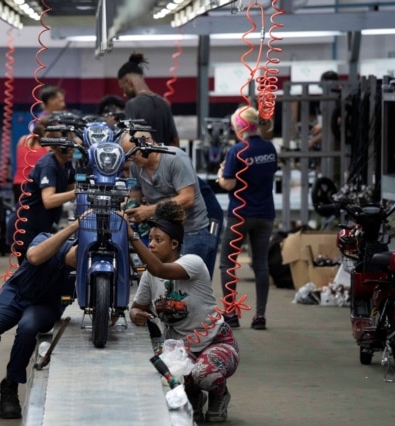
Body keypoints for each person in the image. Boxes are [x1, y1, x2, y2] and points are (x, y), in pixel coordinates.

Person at [125, 200, 239, 423]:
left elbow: (160, 269)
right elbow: (137, 307)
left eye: (159, 240)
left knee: (203, 374)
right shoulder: (149, 276)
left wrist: (131, 235)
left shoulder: (193, 263)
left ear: (174, 244)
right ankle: (194, 397)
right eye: (150, 239)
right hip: (182, 349)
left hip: (216, 342)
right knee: (167, 374)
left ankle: (219, 394)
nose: (152, 245)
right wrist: (134, 314)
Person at [0, 218, 81, 420]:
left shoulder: (88, 268)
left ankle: (10, 388)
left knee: (28, 328)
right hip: (16, 292)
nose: (80, 262)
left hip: (46, 305)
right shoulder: (47, 239)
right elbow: (34, 257)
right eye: (80, 254)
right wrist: (74, 226)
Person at [120, 130, 219, 279]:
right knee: (165, 284)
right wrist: (126, 209)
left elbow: (187, 198)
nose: (132, 159)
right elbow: (134, 197)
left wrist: (149, 211)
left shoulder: (175, 158)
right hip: (165, 233)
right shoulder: (136, 166)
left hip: (192, 232)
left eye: (135, 153)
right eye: (129, 156)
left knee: (190, 286)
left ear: (147, 143)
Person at [217, 106, 277, 330]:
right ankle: (260, 316)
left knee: (227, 264)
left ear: (240, 127)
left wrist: (221, 176)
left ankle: (231, 314)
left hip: (240, 215)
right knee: (261, 264)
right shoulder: (270, 148)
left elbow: (230, 183)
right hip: (265, 214)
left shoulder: (237, 151)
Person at [7, 121, 76, 264]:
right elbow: (49, 200)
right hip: (28, 229)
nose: (70, 151)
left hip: (44, 227)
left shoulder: (66, 164)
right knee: (29, 280)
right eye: (66, 148)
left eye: (72, 147)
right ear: (55, 148)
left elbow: (71, 190)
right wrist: (79, 192)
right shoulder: (48, 165)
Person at [117, 52, 179, 147]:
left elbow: (128, 144)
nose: (124, 94)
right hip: (165, 160)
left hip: (143, 162)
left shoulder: (133, 105)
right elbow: (175, 142)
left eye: (122, 89)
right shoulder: (164, 103)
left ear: (128, 82)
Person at [12, 116, 49, 203]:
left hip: (18, 184)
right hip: (34, 186)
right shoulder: (47, 146)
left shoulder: (22, 140)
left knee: (20, 213)